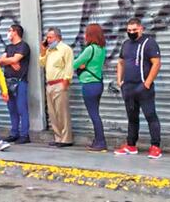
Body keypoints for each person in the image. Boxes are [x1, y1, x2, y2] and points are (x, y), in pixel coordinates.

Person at [114, 18, 162, 159]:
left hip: (142, 87)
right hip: (128, 87)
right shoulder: (126, 44)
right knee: (132, 118)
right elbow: (121, 62)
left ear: (141, 29)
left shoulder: (149, 43)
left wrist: (147, 83)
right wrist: (120, 81)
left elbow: (156, 63)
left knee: (150, 116)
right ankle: (131, 145)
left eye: (134, 30)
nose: (132, 33)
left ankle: (155, 146)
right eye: (129, 30)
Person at [73, 23, 108, 152]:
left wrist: (81, 65)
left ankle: (100, 141)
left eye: (86, 33)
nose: (84, 35)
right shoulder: (102, 49)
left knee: (94, 114)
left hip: (89, 84)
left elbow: (74, 64)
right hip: (98, 83)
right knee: (96, 113)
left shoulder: (90, 49)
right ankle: (98, 140)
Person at [38, 26, 74, 147]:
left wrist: (66, 81)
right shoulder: (49, 50)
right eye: (47, 37)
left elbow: (69, 66)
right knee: (53, 113)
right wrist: (43, 51)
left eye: (50, 37)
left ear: (57, 37)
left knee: (62, 112)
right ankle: (58, 137)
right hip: (50, 84)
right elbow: (42, 64)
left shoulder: (65, 49)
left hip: (60, 83)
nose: (47, 39)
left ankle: (66, 139)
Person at [0, 24, 31, 144]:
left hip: (19, 81)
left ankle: (24, 134)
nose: (8, 33)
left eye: (9, 31)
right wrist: (11, 62)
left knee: (21, 108)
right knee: (11, 108)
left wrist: (9, 60)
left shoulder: (23, 46)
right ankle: (14, 133)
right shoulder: (8, 47)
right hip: (7, 81)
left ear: (15, 32)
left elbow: (13, 60)